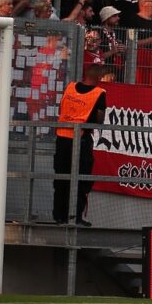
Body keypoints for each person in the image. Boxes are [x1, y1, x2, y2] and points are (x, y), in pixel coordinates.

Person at [53, 56, 107, 225]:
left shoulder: (70, 88)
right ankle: (75, 217)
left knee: (61, 178)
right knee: (81, 179)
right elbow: (99, 120)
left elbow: (61, 108)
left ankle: (59, 216)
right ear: (98, 78)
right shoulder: (99, 93)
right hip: (81, 140)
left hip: (62, 138)